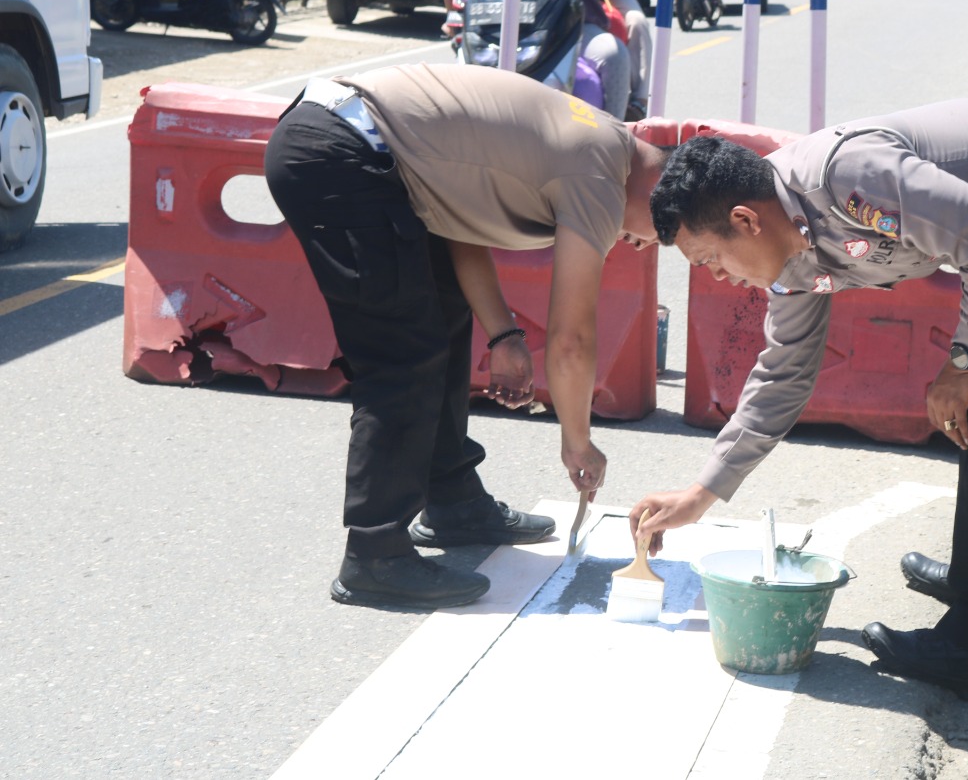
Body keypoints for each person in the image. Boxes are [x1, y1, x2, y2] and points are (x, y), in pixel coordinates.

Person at [629, 97, 968, 702]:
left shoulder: (847, 178)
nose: (717, 278)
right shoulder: (789, 244)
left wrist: (964, 363)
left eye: (710, 260)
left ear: (746, 221)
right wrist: (703, 492)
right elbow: (784, 372)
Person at [263, 62, 671, 610]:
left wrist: (502, 332)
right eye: (656, 236)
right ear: (659, 193)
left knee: (443, 313)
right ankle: (374, 556)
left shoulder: (601, 144)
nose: (641, 245)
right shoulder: (599, 176)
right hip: (341, 151)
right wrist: (577, 440)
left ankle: (452, 501)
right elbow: (572, 337)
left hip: (366, 152)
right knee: (403, 351)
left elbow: (458, 215)